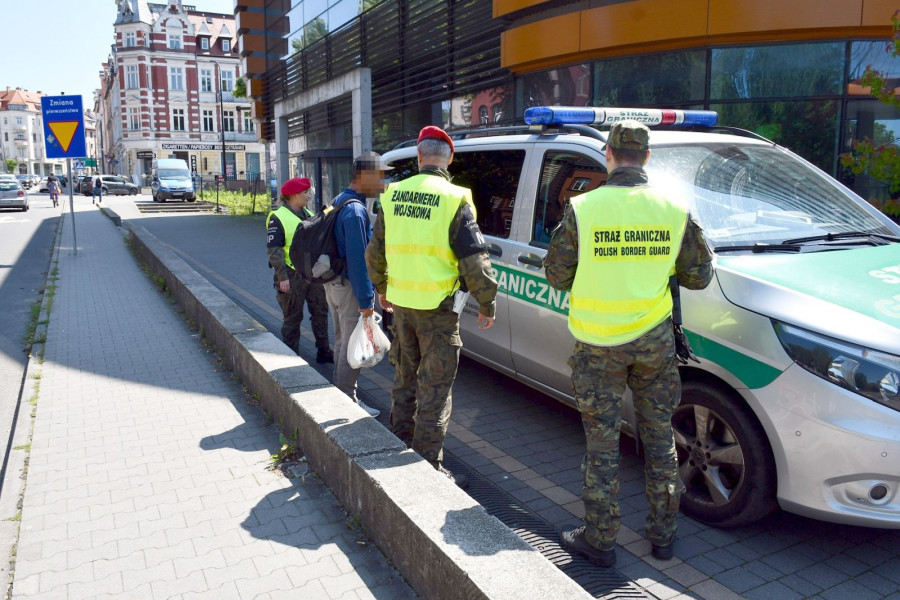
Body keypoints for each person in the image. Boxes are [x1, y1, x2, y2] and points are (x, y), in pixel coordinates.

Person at [544, 120, 713, 567]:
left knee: (602, 444)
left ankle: (600, 541)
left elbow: (557, 276)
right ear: (648, 158)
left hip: (597, 344)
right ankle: (663, 536)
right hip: (653, 342)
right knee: (660, 439)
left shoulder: (584, 207)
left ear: (609, 156)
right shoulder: (674, 208)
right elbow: (699, 276)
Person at [366, 125, 498, 488]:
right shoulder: (455, 198)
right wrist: (487, 302)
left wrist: (382, 288)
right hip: (439, 312)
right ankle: (427, 468)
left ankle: (398, 442)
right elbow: (475, 258)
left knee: (404, 379)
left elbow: (374, 252)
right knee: (435, 389)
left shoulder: (392, 195)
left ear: (419, 157)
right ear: (449, 158)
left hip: (402, 308)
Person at [323, 152, 391, 418]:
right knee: (352, 346)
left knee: (342, 341)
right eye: (380, 175)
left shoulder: (340, 200)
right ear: (365, 176)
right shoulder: (355, 210)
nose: (383, 182)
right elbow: (359, 260)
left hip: (335, 285)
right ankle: (346, 401)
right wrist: (367, 300)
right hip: (350, 288)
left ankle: (341, 393)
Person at [266, 177, 334, 363]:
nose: (308, 195)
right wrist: (282, 277)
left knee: (320, 313)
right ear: (294, 195)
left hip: (312, 274)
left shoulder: (309, 213)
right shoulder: (277, 217)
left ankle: (324, 351)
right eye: (305, 192)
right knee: (293, 318)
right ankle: (291, 356)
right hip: (291, 275)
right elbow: (274, 250)